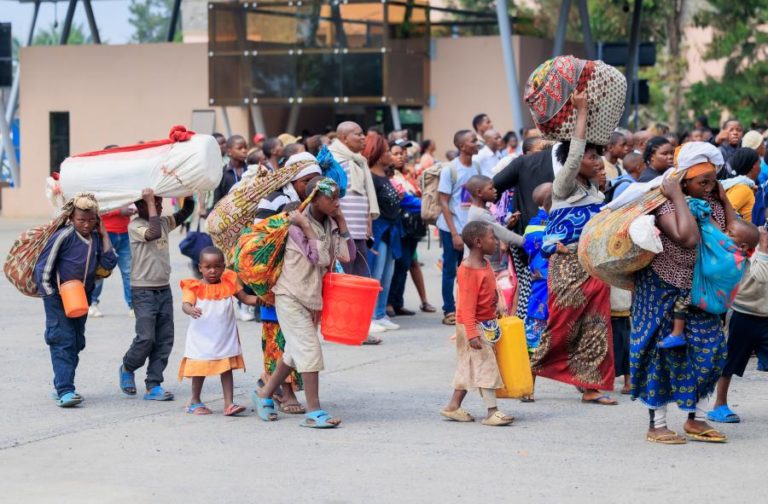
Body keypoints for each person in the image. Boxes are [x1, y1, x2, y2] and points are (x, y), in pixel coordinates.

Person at [631, 141, 735, 445]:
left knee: (712, 349)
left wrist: (725, 199)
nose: (708, 187)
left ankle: (697, 421)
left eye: (712, 181)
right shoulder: (662, 203)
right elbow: (687, 238)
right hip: (661, 288)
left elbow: (733, 235)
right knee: (662, 355)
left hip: (700, 289)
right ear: (683, 179)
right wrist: (676, 194)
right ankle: (657, 424)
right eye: (702, 181)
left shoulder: (711, 202)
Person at [529, 90, 617, 406]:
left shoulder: (594, 188)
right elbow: (576, 152)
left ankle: (590, 386)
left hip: (593, 264)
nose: (596, 161)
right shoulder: (563, 185)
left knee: (595, 326)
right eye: (591, 157)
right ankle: (529, 372)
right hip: (567, 266)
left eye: (598, 156)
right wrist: (580, 112)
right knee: (562, 322)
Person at [253, 177, 354, 429]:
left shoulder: (330, 221)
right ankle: (314, 411)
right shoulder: (296, 224)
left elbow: (347, 255)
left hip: (312, 298)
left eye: (338, 197)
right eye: (331, 198)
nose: (336, 202)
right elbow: (318, 258)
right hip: (290, 295)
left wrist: (342, 223)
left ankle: (264, 394)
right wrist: (308, 230)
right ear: (314, 199)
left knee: (293, 355)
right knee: (309, 351)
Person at [254, 153, 323, 413]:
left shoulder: (305, 200)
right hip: (276, 279)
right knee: (278, 337)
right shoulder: (275, 200)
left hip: (300, 280)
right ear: (296, 179)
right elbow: (261, 240)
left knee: (293, 342)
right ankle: (286, 392)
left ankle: (268, 388)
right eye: (308, 180)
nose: (312, 184)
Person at [35, 194, 118, 407]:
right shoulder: (64, 236)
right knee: (61, 340)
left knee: (77, 342)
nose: (86, 224)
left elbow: (109, 263)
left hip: (82, 297)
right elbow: (43, 268)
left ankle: (61, 385)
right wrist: (51, 297)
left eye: (91, 220)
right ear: (72, 217)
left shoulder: (96, 238)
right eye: (81, 220)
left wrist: (105, 233)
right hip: (58, 298)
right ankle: (65, 390)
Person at [118, 189, 195, 401]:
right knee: (146, 338)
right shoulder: (136, 225)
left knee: (164, 339)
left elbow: (186, 212)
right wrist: (150, 202)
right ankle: (127, 366)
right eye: (154, 203)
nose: (159, 206)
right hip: (142, 290)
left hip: (163, 289)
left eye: (160, 203)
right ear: (140, 206)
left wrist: (188, 194)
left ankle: (154, 384)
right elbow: (152, 233)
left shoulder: (162, 221)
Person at [440, 221, 515, 427]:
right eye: (492, 238)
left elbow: (491, 289)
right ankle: (492, 411)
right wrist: (472, 334)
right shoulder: (468, 270)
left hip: (485, 324)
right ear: (478, 242)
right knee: (487, 365)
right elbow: (465, 306)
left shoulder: (485, 263)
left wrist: (499, 306)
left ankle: (453, 406)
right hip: (473, 327)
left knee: (469, 367)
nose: (496, 241)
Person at [178, 247, 260, 416]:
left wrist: (264, 300)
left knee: (226, 368)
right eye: (207, 267)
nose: (212, 271)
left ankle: (229, 404)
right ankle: (194, 400)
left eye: (217, 266)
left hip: (224, 337)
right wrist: (190, 310)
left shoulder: (229, 282)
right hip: (202, 337)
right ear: (200, 267)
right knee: (199, 369)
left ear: (223, 267)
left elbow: (245, 298)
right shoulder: (193, 287)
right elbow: (185, 304)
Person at [709, 224, 768, 424]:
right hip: (742, 313)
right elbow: (762, 276)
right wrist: (763, 246)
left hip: (766, 315)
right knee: (730, 361)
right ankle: (719, 405)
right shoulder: (742, 252)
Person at [437, 130, 482, 325]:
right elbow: (444, 203)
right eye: (473, 141)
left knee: (469, 270)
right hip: (452, 229)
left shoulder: (477, 166)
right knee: (450, 270)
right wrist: (455, 234)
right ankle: (449, 310)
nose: (477, 143)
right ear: (462, 146)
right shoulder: (450, 170)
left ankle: (467, 308)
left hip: (471, 228)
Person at [387, 139, 433, 317]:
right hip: (401, 226)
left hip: (412, 227)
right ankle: (390, 302)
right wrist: (429, 206)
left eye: (403, 153)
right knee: (400, 264)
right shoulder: (390, 176)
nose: (402, 156)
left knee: (406, 263)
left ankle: (397, 302)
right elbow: (406, 200)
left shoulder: (407, 174)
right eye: (396, 153)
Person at [331, 122, 380, 277]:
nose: (363, 137)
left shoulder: (359, 160)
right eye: (358, 134)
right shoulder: (332, 160)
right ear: (344, 138)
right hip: (342, 235)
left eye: (362, 133)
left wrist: (368, 221)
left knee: (360, 280)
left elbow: (365, 196)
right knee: (345, 282)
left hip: (359, 234)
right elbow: (330, 199)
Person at [364, 133, 401, 338]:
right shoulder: (370, 176)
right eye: (386, 150)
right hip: (379, 230)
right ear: (378, 154)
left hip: (391, 230)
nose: (390, 154)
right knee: (375, 275)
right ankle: (369, 317)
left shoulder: (383, 175)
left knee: (386, 275)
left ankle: (379, 314)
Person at [465, 175, 523, 271]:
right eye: (490, 189)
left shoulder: (480, 210)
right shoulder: (480, 214)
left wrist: (508, 226)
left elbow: (493, 230)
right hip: (481, 265)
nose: (495, 191)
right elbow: (503, 234)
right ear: (479, 192)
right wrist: (527, 242)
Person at [89, 203, 136, 318]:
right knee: (100, 270)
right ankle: (92, 304)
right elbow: (97, 209)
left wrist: (135, 208)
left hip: (124, 232)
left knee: (128, 271)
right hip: (106, 233)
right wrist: (119, 211)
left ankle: (133, 305)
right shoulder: (103, 187)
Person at [522, 182, 552, 362]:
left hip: (543, 286)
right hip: (545, 286)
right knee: (534, 340)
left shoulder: (534, 225)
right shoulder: (543, 227)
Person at [724, 147, 761, 222]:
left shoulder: (746, 186)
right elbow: (724, 214)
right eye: (759, 163)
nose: (760, 167)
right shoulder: (742, 189)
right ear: (754, 166)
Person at [212, 135, 248, 206]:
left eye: (245, 147)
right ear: (229, 151)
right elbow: (217, 199)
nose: (244, 151)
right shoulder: (222, 173)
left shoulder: (251, 169)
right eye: (239, 148)